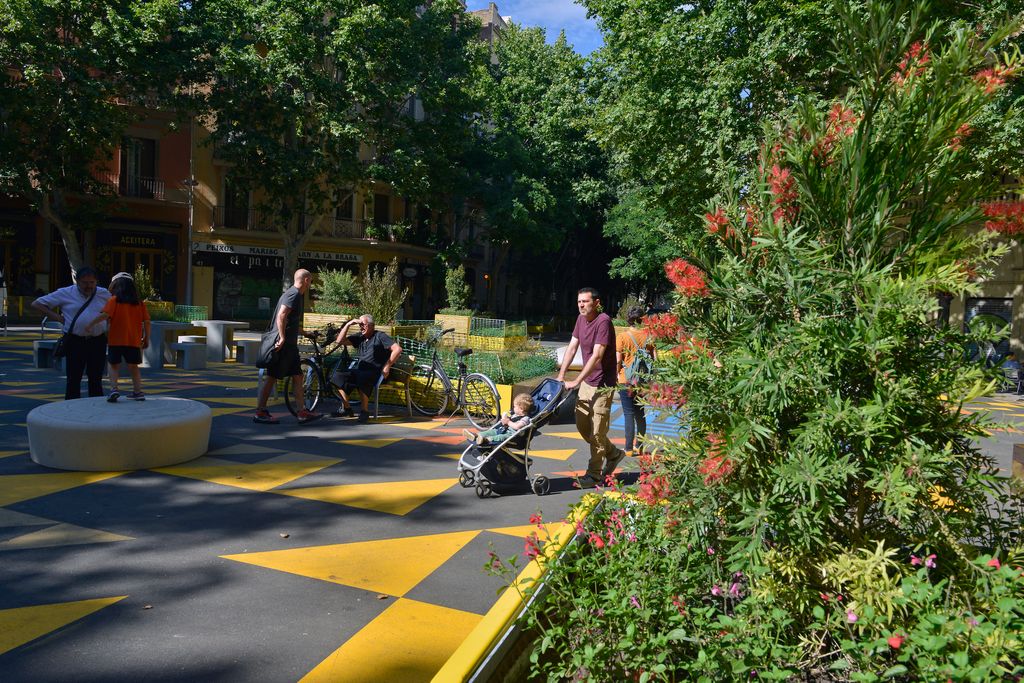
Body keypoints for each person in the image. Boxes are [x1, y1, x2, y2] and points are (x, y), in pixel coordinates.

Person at [556, 287, 626, 488]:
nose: (581, 305)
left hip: (603, 385)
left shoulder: (603, 321)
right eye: (579, 301)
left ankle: (594, 475)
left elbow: (597, 356)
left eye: (585, 301)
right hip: (588, 383)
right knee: (582, 425)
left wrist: (576, 380)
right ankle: (613, 454)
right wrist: (561, 375)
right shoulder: (580, 320)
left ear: (596, 302)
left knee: (597, 431)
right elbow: (571, 347)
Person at [253, 269, 323, 425]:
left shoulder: (294, 294)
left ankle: (302, 412)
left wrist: (305, 333)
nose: (310, 284)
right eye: (310, 281)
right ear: (306, 280)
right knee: (272, 378)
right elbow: (282, 315)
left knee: (298, 377)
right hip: (283, 346)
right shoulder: (294, 294)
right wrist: (283, 337)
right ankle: (260, 411)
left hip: (290, 348)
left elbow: (290, 321)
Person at [31, 266, 111, 400]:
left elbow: (116, 308)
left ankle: (97, 410)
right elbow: (37, 304)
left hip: (97, 340)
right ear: (77, 281)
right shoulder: (65, 293)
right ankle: (70, 411)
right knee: (74, 378)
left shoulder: (104, 294)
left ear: (96, 281)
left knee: (96, 378)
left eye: (92, 283)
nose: (89, 286)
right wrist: (57, 317)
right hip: (75, 341)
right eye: (85, 283)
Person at [84, 272, 150, 402]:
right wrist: (146, 338)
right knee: (134, 367)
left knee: (113, 365)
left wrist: (90, 324)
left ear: (116, 286)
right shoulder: (139, 303)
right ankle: (138, 392)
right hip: (134, 341)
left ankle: (114, 389)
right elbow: (147, 321)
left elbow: (105, 315)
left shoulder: (114, 300)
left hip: (116, 340)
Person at [333, 314, 402, 423]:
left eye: (363, 325)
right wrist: (348, 324)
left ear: (371, 325)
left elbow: (397, 349)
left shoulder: (380, 336)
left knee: (362, 376)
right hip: (361, 371)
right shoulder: (360, 337)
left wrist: (387, 366)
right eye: (360, 325)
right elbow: (339, 341)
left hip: (378, 373)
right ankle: (347, 408)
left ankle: (364, 411)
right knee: (337, 376)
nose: (361, 327)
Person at [616, 305, 656, 456]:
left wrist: (615, 374)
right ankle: (639, 445)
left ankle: (627, 449)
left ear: (629, 319)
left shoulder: (622, 337)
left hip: (626, 379)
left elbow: (618, 360)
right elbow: (654, 359)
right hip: (643, 380)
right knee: (640, 412)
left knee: (628, 413)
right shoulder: (649, 336)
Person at [463, 393, 534, 446]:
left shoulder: (526, 419)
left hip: (511, 435)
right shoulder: (514, 415)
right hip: (502, 429)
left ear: (521, 409)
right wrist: (504, 418)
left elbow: (517, 426)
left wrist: (508, 421)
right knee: (490, 432)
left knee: (500, 437)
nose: (513, 408)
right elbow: (505, 422)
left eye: (515, 406)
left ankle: (486, 440)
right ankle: (476, 436)